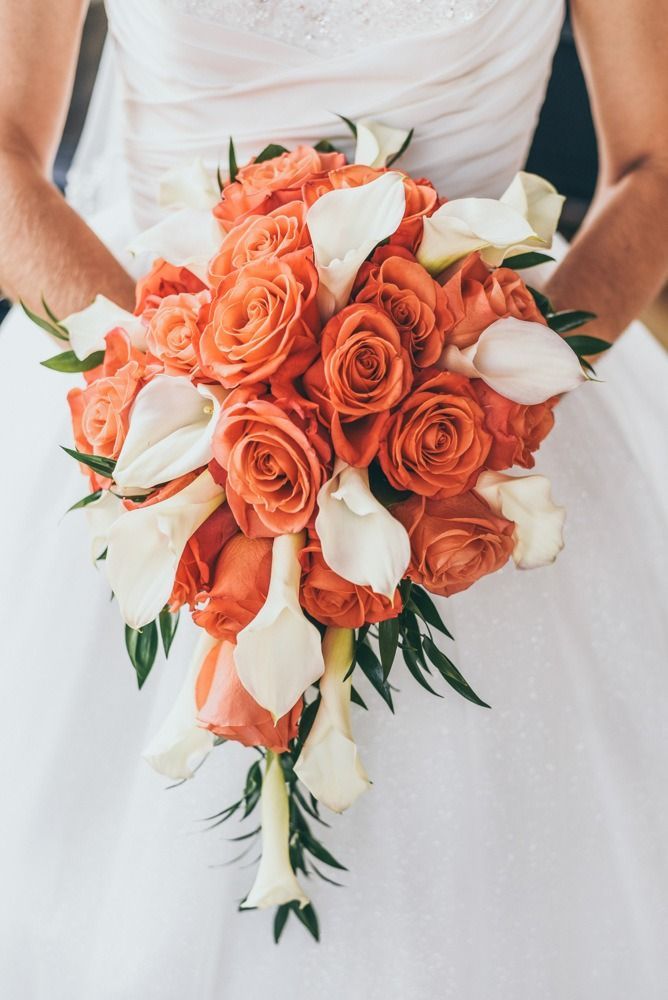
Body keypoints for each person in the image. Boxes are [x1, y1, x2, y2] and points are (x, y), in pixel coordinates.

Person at [0, 1, 666, 997]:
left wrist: (494, 394)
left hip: (475, 443)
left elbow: (651, 162)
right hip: (148, 393)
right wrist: (187, 397)